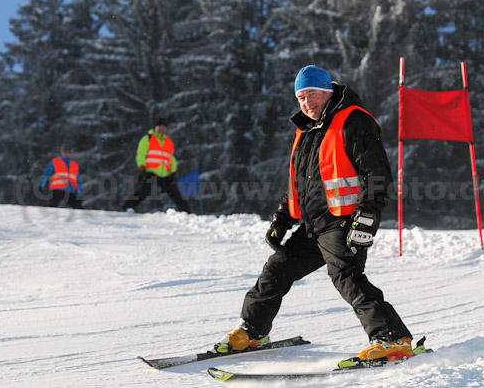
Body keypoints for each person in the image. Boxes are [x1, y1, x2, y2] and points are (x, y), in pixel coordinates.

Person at [211, 65, 413, 367]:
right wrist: (282, 220)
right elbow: (300, 185)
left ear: (328, 90)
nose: (307, 103)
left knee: (347, 277)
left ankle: (393, 338)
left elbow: (377, 175)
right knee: (275, 271)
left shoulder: (354, 121)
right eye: (301, 97)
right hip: (313, 225)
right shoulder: (305, 131)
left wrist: (367, 217)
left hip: (344, 223)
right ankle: (253, 331)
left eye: (313, 95)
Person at [121, 116, 190, 213]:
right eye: (159, 126)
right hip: (151, 171)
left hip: (165, 173)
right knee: (144, 191)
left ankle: (186, 212)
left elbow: (171, 158)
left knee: (175, 194)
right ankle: (128, 207)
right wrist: (141, 166)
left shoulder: (168, 142)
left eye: (163, 126)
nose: (161, 128)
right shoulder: (147, 139)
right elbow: (141, 153)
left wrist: (174, 171)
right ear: (155, 127)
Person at [39, 144, 83, 209]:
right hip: (58, 189)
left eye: (68, 152)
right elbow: (46, 173)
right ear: (61, 152)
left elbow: (77, 181)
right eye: (64, 152)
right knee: (53, 206)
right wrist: (41, 185)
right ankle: (45, 217)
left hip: (69, 191)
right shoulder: (56, 162)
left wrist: (79, 193)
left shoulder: (74, 165)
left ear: (70, 153)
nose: (66, 154)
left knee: (78, 207)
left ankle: (84, 218)